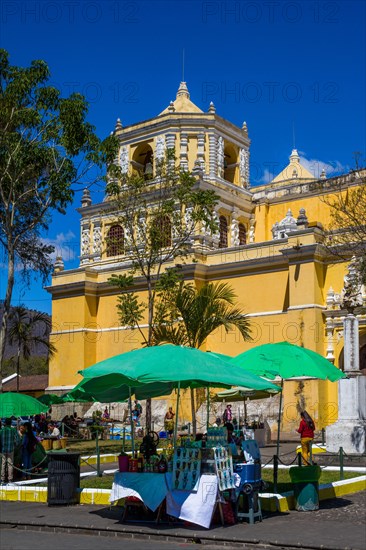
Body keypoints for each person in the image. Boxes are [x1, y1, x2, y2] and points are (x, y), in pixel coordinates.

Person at [0, 418, 20, 484]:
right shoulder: (13, 430)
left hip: (3, 450)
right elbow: (18, 440)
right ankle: (10, 479)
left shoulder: (1, 430)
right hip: (11, 449)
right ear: (11, 423)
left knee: (3, 464)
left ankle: (2, 479)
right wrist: (15, 445)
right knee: (10, 464)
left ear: (5, 423)